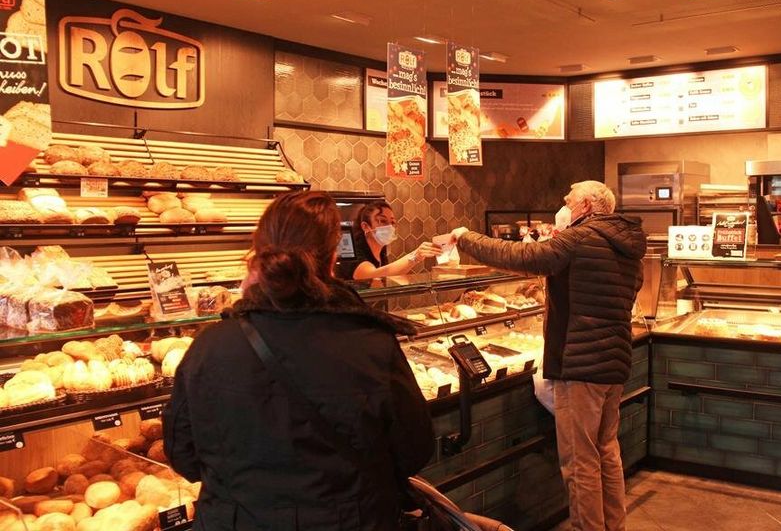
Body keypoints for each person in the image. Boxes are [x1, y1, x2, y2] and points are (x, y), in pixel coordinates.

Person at [164, 191, 434, 531]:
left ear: (258, 254)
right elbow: (415, 448)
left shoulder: (209, 346)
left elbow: (183, 455)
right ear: (333, 256)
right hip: (353, 521)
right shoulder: (371, 343)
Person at [447, 180, 646, 531]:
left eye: (567, 201)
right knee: (606, 453)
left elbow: (522, 258)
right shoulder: (628, 247)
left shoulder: (579, 238)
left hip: (580, 366)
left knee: (580, 462)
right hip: (614, 363)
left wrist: (465, 238)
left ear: (585, 206)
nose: (563, 207)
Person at [340, 200, 442, 280]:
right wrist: (415, 256)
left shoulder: (382, 253)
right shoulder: (352, 252)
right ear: (365, 226)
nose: (389, 227)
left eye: (392, 222)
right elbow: (371, 276)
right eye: (382, 221)